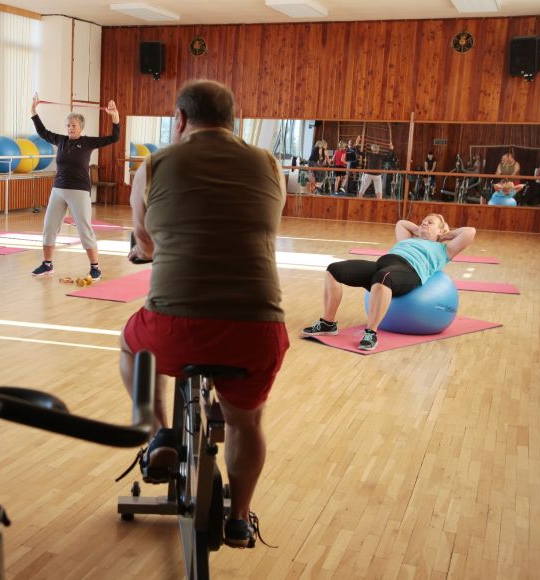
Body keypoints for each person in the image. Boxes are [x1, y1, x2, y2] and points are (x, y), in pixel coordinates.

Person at [120, 79, 290, 548]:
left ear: (179, 120)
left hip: (177, 329)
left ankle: (159, 437)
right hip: (258, 329)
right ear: (233, 120)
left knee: (131, 346)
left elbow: (144, 240)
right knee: (246, 422)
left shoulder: (152, 165)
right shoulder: (270, 165)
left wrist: (153, 248)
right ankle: (240, 516)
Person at [302, 215, 476, 351]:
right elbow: (401, 223)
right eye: (422, 222)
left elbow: (470, 232)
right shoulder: (408, 240)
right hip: (383, 264)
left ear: (440, 230)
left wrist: (444, 235)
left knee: (383, 278)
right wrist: (421, 230)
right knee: (334, 269)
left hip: (409, 272)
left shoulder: (445, 250)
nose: (424, 224)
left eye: (429, 222)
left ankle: (371, 334)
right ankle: (328, 323)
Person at [29, 92, 120, 280]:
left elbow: (114, 138)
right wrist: (33, 110)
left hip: (79, 190)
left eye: (73, 125)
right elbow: (42, 132)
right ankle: (47, 264)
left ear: (81, 128)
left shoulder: (88, 142)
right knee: (49, 226)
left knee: (84, 228)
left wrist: (115, 117)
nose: (70, 128)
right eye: (68, 125)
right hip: (58, 189)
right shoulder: (60, 140)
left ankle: (95, 267)